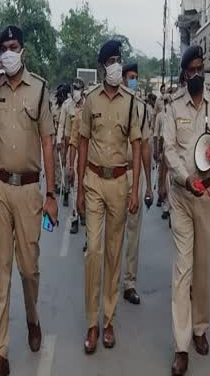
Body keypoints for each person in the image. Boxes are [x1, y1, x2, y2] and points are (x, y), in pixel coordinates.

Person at [0, 25, 58, 376]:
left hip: (29, 190)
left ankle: (33, 317)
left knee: (28, 268)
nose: (9, 52)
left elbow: (49, 144)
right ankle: (1, 351)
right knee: (1, 271)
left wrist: (51, 195)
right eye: (4, 47)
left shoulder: (38, 89)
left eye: (14, 46)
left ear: (23, 51)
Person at [163, 45, 210, 375]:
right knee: (183, 268)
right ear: (183, 74)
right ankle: (181, 345)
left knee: (203, 265)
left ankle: (200, 328)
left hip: (207, 193)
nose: (197, 74)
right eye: (191, 69)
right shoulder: (173, 106)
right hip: (181, 194)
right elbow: (168, 149)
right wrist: (184, 177)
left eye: (201, 68)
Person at [77, 39, 142, 354]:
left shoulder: (131, 101)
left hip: (119, 183)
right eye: (112, 60)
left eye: (120, 59)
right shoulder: (90, 100)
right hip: (93, 181)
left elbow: (139, 145)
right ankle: (92, 323)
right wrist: (77, 188)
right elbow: (82, 144)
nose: (117, 65)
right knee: (94, 253)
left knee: (115, 253)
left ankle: (109, 319)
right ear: (103, 65)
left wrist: (136, 188)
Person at [121, 62, 154, 305]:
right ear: (122, 79)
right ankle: (112, 278)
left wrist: (149, 185)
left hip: (134, 176)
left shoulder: (143, 109)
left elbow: (145, 147)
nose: (133, 81)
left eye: (136, 77)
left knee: (133, 232)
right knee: (113, 233)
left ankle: (129, 283)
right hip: (113, 176)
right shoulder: (115, 105)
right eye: (130, 77)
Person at [64, 78, 86, 234]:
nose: (76, 91)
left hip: (92, 159)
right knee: (75, 188)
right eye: (74, 88)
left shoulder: (91, 109)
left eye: (78, 88)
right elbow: (70, 138)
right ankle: (74, 218)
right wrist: (70, 165)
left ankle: (88, 234)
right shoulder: (69, 107)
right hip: (76, 155)